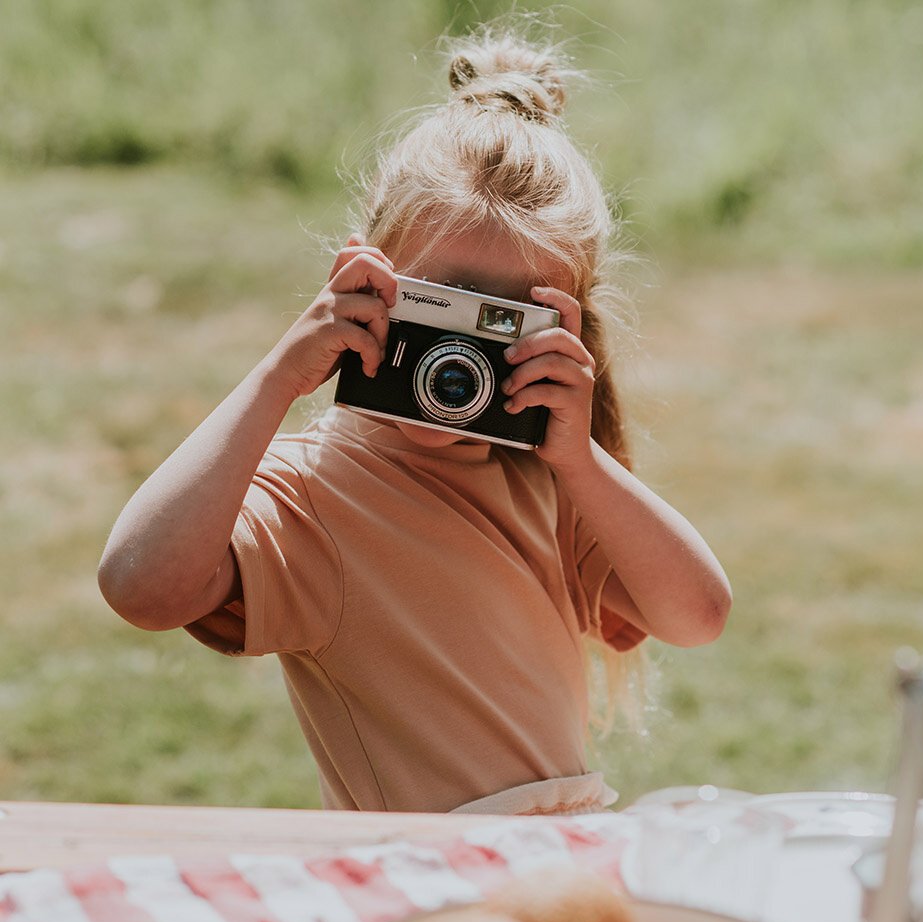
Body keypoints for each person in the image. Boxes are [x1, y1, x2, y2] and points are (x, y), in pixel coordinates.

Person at [98, 26, 732, 816]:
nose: (456, 359)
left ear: (563, 331)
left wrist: (581, 460)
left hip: (560, 857)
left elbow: (698, 616)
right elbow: (140, 587)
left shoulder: (549, 479)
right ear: (365, 275)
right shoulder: (313, 496)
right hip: (421, 874)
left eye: (498, 323)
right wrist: (275, 380)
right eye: (441, 308)